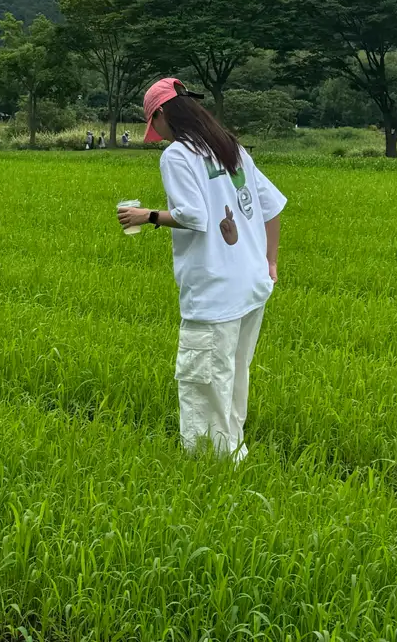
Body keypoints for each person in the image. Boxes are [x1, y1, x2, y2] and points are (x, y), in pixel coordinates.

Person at [116, 77, 286, 462]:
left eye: (152, 124)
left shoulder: (177, 155)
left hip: (214, 291)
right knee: (232, 377)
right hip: (251, 285)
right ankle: (234, 454)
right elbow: (273, 207)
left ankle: (211, 471)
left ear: (160, 114)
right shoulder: (231, 148)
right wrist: (270, 261)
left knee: (204, 382)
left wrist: (149, 216)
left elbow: (195, 215)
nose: (155, 133)